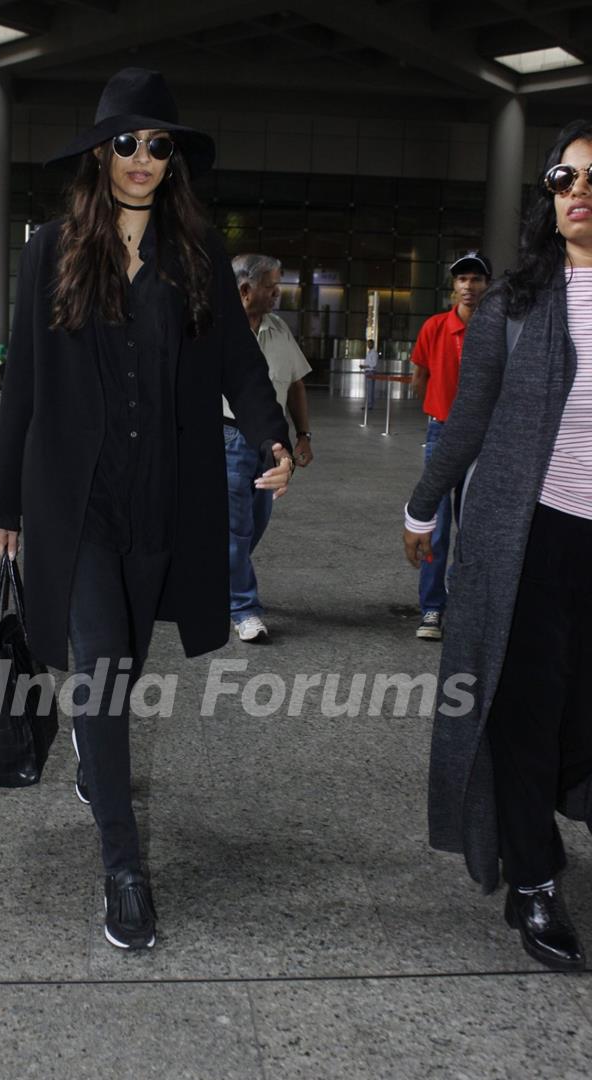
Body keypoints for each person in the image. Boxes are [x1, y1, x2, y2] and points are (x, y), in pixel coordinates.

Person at [0, 68, 294, 951]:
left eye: (159, 145)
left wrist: (274, 439)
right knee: (108, 671)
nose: (142, 160)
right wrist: (8, 501)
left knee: (118, 666)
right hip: (76, 502)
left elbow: (240, 361)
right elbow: (27, 386)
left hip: (162, 499)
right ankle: (122, 866)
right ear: (99, 151)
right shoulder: (51, 246)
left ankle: (98, 752)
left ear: (173, 159)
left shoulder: (193, 253)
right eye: (127, 142)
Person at [403, 118, 592, 972]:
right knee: (520, 711)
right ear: (548, 199)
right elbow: (468, 420)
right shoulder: (516, 305)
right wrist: (420, 508)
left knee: (580, 716)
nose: (578, 189)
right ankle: (536, 878)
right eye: (563, 177)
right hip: (531, 536)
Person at [224, 253, 312, 641]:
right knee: (236, 530)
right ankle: (243, 608)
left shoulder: (278, 330)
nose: (279, 293)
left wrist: (303, 435)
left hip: (268, 443)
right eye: (272, 286)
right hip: (224, 438)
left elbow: (294, 385)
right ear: (246, 290)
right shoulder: (213, 329)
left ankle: (222, 580)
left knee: (256, 525)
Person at [409, 251, 491, 640]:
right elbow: (420, 375)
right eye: (462, 279)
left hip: (484, 438)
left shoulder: (496, 328)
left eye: (476, 279)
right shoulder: (435, 327)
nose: (469, 286)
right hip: (441, 433)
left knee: (472, 527)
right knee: (435, 527)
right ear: (453, 286)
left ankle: (461, 607)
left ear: (487, 285)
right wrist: (435, 413)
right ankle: (431, 609)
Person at [360, 338, 378, 411]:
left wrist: (364, 366)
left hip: (371, 372)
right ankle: (369, 404)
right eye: (367, 344)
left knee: (370, 389)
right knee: (369, 389)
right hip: (368, 372)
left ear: (372, 344)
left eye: (369, 344)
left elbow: (373, 364)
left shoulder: (374, 353)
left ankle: (370, 405)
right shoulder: (369, 352)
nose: (368, 345)